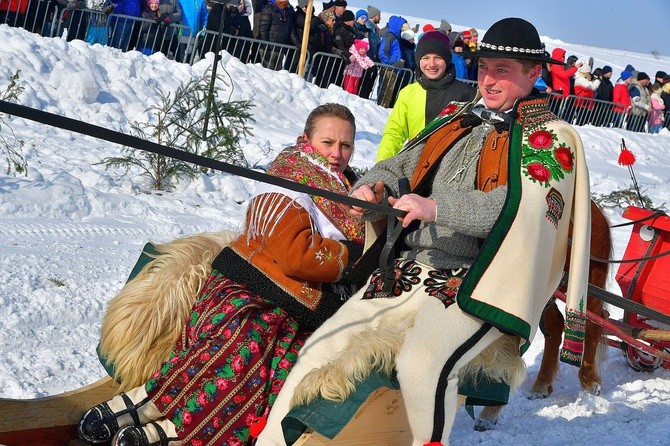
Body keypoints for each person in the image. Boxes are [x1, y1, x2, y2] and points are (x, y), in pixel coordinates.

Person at [256, 17, 591, 446]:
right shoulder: (457, 115)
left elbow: (515, 208)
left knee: (423, 364)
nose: (488, 79)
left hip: (477, 284)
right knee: (319, 348)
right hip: (407, 270)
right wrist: (371, 182)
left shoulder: (554, 139)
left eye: (502, 70)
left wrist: (435, 207)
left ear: (533, 74)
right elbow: (400, 161)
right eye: (485, 66)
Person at [77, 104, 366, 446]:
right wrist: (353, 254)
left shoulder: (347, 189)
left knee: (279, 365)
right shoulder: (291, 175)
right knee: (246, 336)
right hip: (249, 282)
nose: (336, 154)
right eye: (328, 142)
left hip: (297, 305)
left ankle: (172, 431)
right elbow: (295, 256)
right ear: (306, 140)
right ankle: (147, 403)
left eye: (345, 145)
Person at [376, 30, 475, 161]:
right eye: (426, 58)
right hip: (415, 166)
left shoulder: (466, 94)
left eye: (438, 57)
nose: (432, 64)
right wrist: (381, 166)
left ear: (447, 59)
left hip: (450, 171)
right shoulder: (408, 93)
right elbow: (394, 133)